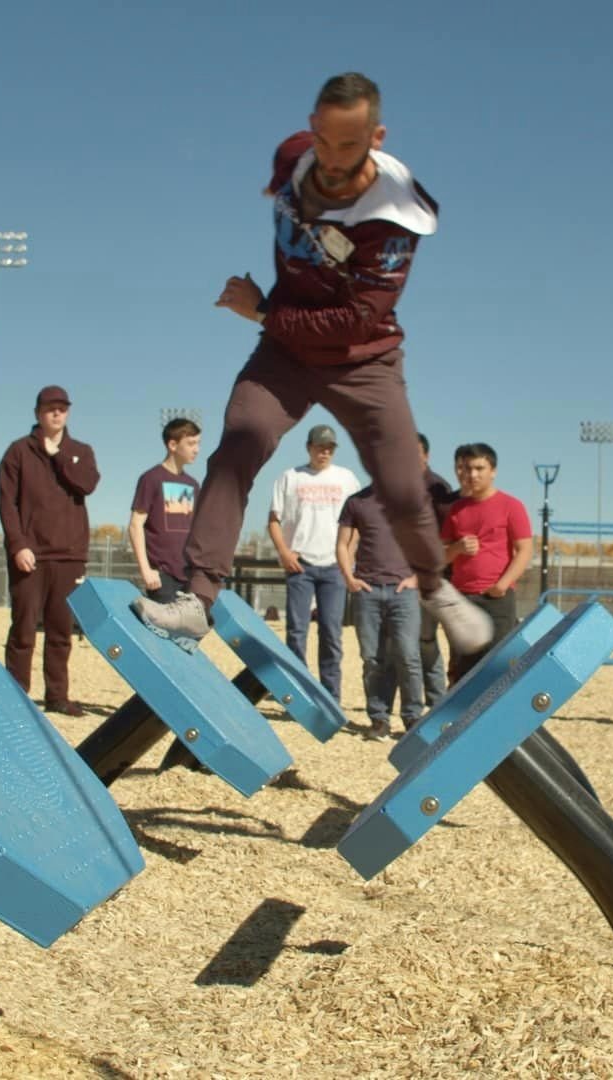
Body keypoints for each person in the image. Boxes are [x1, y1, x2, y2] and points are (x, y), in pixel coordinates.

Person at [133, 73, 491, 666]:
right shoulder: (295, 159)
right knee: (236, 450)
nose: (329, 161)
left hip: (363, 358)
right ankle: (197, 599)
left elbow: (353, 322)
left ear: (376, 138)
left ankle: (436, 589)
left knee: (403, 488)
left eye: (347, 147)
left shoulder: (396, 220)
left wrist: (265, 309)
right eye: (322, 141)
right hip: (285, 357)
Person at [0, 386, 99, 714]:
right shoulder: (18, 452)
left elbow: (87, 484)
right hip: (31, 554)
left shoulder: (80, 451)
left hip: (69, 555)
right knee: (24, 627)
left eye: (62, 409)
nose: (56, 414)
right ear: (38, 413)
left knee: (60, 630)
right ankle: (15, 693)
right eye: (50, 408)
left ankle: (57, 696)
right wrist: (18, 545)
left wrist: (58, 455)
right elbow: (7, 504)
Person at [268, 424, 357, 698]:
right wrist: (283, 551)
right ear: (309, 447)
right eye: (320, 446)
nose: (325, 452)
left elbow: (358, 523)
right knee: (297, 631)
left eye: (329, 447)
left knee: (331, 632)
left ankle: (330, 695)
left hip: (333, 566)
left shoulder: (347, 479)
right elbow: (274, 519)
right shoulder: (290, 477)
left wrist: (349, 557)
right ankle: (299, 691)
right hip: (300, 565)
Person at [335, 481, 422, 739]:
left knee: (408, 655)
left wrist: (418, 577)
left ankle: (413, 718)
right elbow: (342, 544)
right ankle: (379, 720)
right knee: (372, 658)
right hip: (368, 591)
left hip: (403, 591)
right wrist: (349, 579)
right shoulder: (356, 502)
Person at [441, 443, 534, 682]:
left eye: (480, 468)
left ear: (493, 471)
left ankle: (504, 718)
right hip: (461, 598)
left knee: (499, 666)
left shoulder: (511, 506)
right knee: (462, 667)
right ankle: (462, 718)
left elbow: (525, 550)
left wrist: (502, 585)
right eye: (469, 468)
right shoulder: (456, 510)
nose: (473, 475)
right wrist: (457, 548)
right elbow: (441, 556)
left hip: (497, 599)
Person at [129, 417, 201, 602]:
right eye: (191, 443)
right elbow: (135, 526)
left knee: (189, 631)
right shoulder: (151, 479)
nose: (197, 449)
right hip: (162, 577)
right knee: (161, 631)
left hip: (189, 577)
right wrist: (146, 570)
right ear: (173, 445)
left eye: (198, 443)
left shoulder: (193, 485)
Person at [416, 432, 458, 707]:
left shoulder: (439, 489)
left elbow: (450, 534)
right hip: (414, 578)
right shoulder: (394, 485)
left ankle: (456, 697)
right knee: (425, 641)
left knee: (456, 642)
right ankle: (435, 700)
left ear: (426, 455)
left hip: (442, 578)